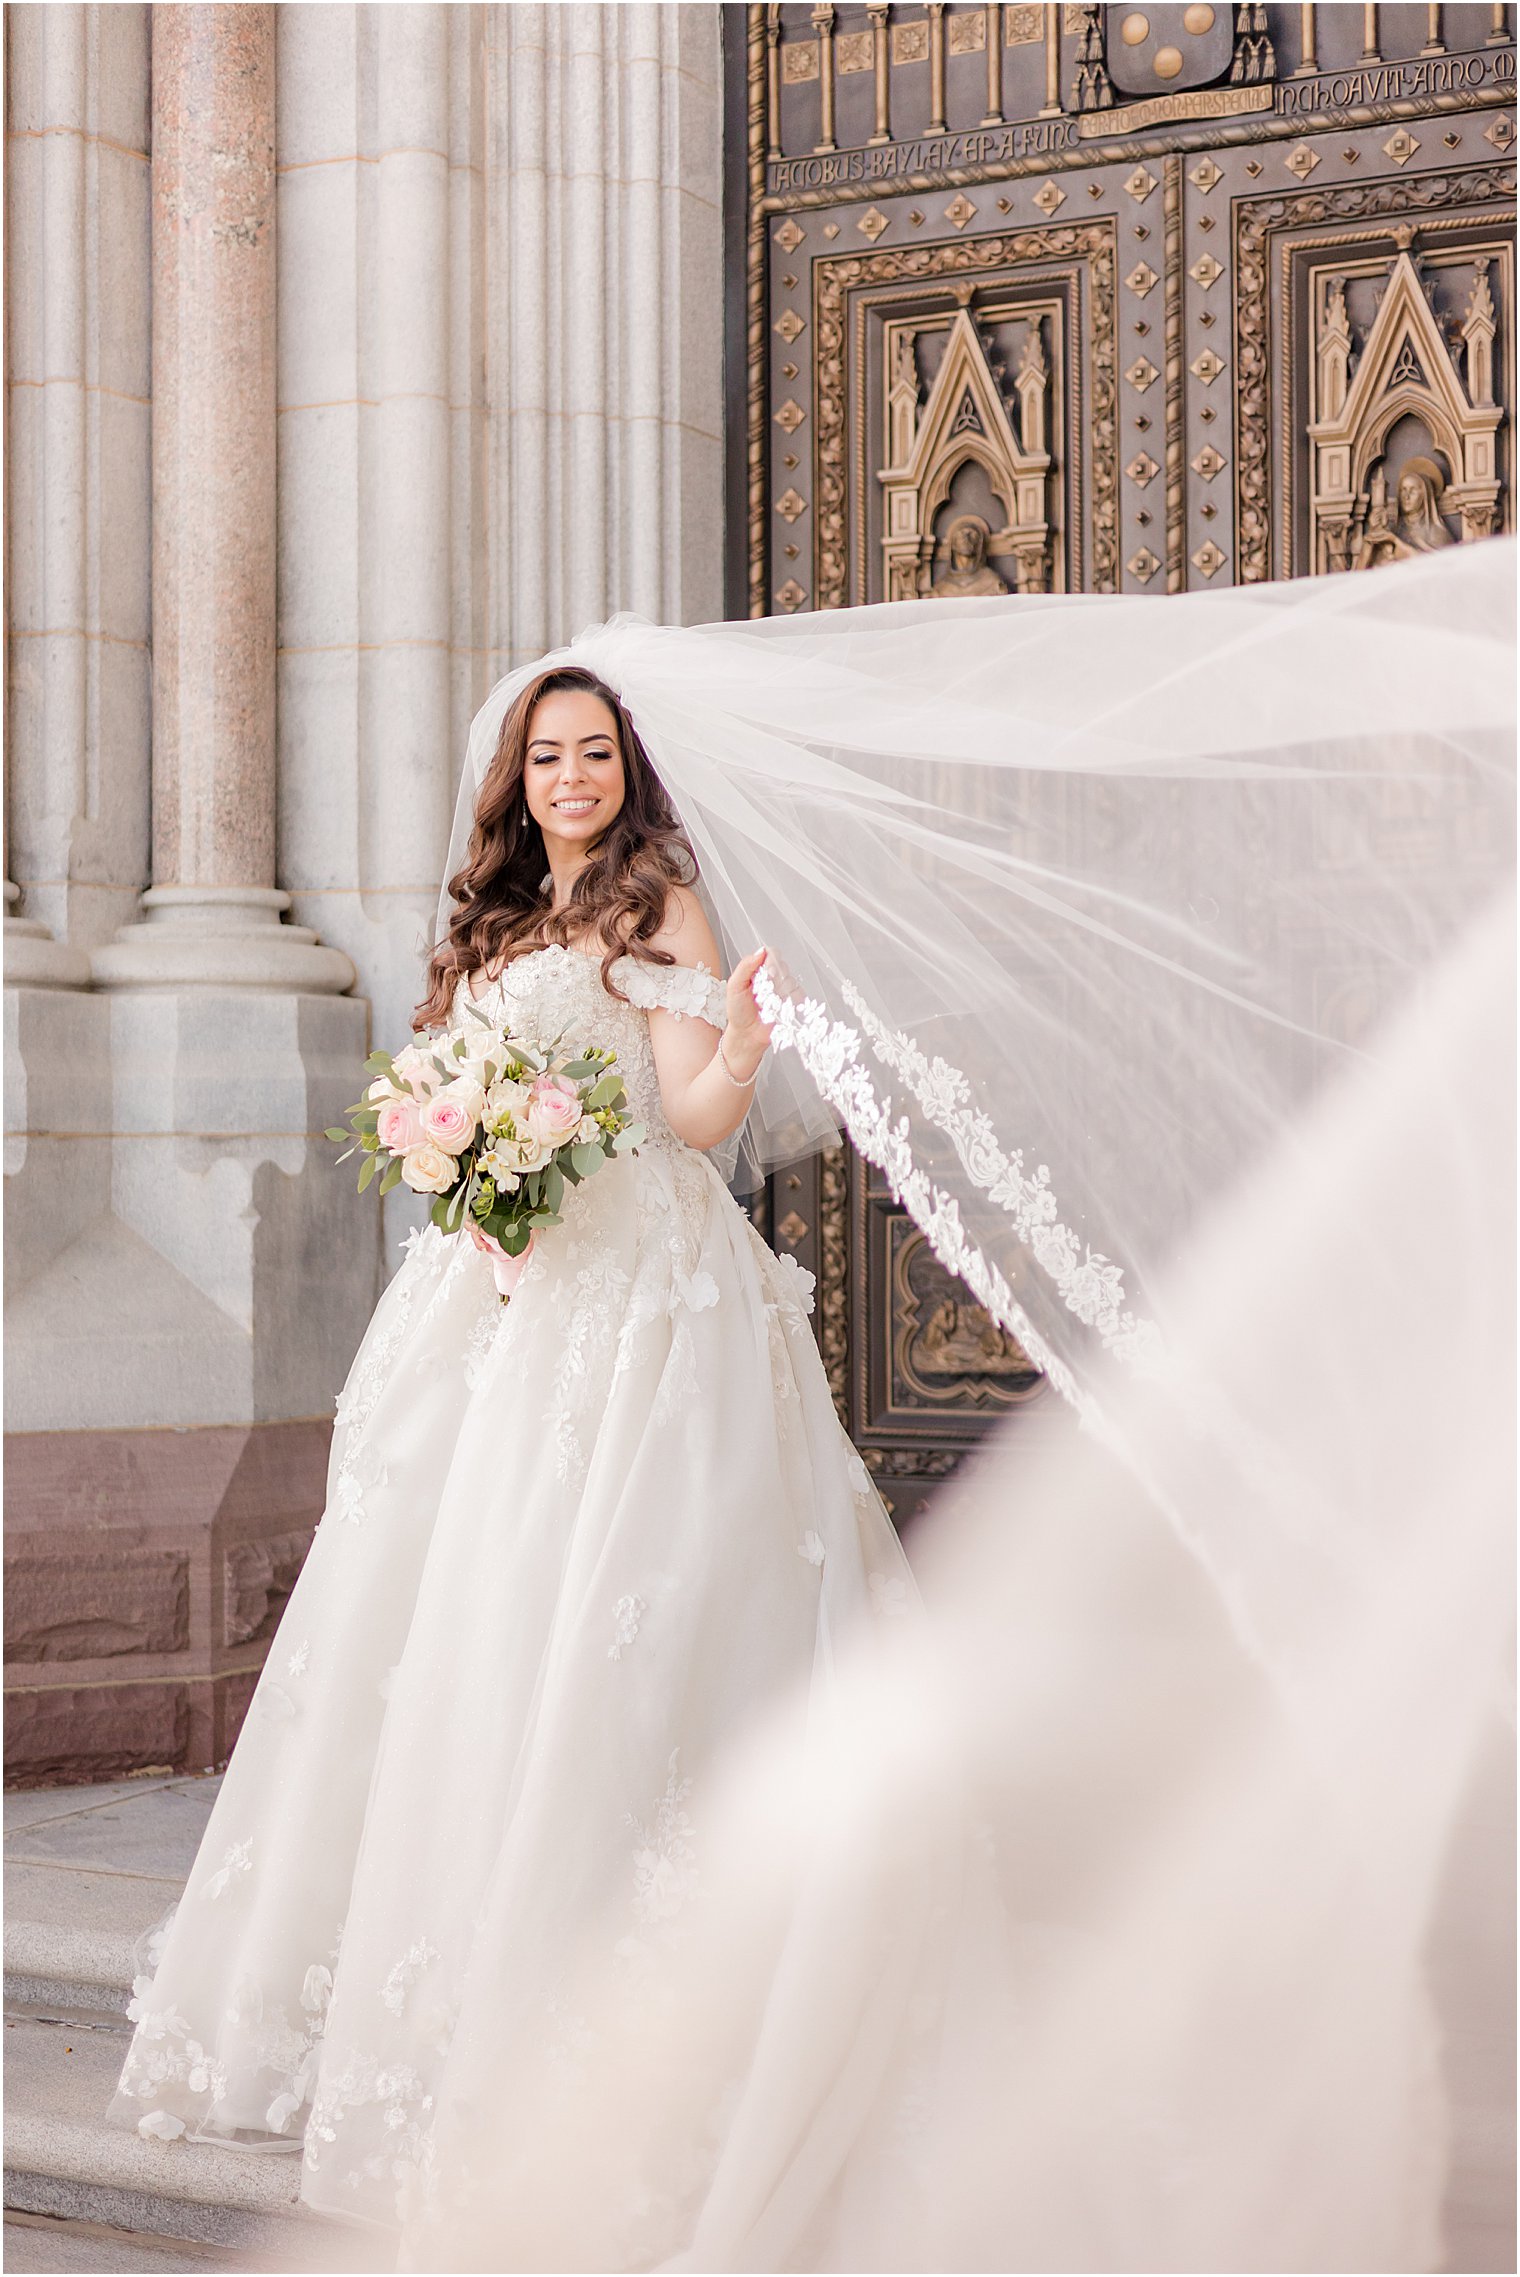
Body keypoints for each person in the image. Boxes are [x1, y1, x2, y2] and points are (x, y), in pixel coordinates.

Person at [108, 664, 914, 2228]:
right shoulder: (492, 920)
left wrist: (740, 1040)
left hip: (643, 1309)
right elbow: (459, 1098)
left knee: (619, 1625)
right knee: (466, 1638)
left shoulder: (654, 899)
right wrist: (469, 1158)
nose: (568, 777)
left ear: (630, 769)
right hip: (502, 1304)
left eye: (593, 753)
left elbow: (687, 1116)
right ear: (513, 777)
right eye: (544, 755)